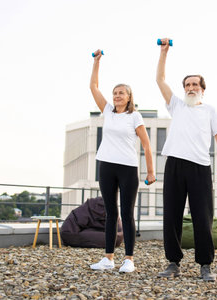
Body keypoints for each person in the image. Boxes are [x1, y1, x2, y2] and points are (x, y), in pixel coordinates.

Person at [155, 39, 217, 281]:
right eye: (187, 84)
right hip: (175, 165)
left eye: (195, 84)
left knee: (202, 217)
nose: (190, 87)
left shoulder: (210, 110)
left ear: (202, 89)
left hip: (200, 167)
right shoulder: (176, 106)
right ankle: (173, 262)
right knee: (172, 215)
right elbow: (160, 80)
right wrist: (163, 52)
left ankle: (205, 265)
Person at [89, 49, 156, 273]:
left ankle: (129, 259)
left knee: (126, 213)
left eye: (121, 93)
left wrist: (150, 171)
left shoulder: (134, 116)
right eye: (115, 93)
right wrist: (97, 62)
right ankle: (108, 258)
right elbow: (94, 87)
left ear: (129, 97)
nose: (117, 96)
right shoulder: (107, 111)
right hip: (106, 166)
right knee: (111, 213)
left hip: (128, 168)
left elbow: (146, 144)